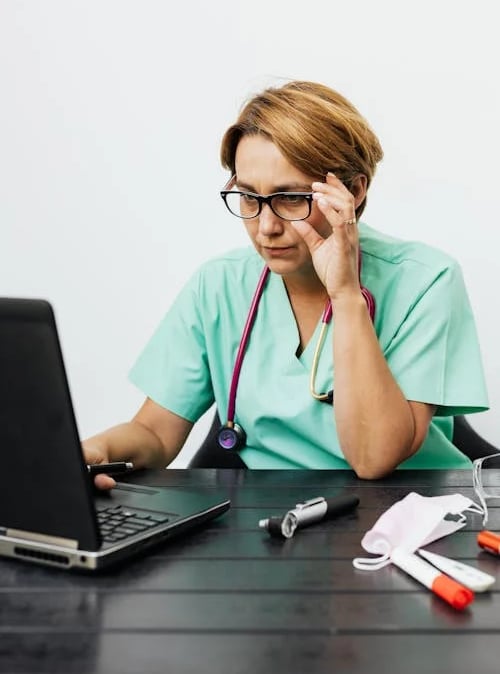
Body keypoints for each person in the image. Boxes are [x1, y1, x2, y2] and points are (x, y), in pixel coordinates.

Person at [83, 79, 488, 487]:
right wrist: (96, 453)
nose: (266, 227)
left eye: (291, 198)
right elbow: (155, 433)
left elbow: (373, 459)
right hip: (271, 520)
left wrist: (346, 296)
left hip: (406, 513)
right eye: (249, 198)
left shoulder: (426, 280)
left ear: (354, 190)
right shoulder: (220, 284)